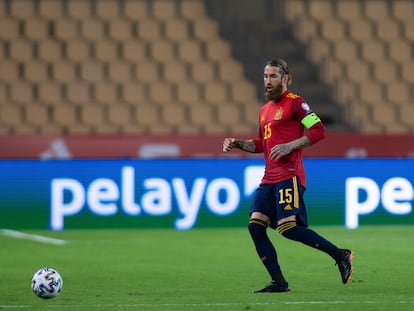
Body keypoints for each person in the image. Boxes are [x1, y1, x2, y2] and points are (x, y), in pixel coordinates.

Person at [222, 58, 353, 293]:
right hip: (268, 178)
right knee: (255, 226)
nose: (268, 81)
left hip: (289, 175)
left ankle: (340, 254)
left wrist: (291, 145)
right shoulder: (264, 110)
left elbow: (319, 131)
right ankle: (279, 283)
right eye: (265, 76)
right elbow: (263, 143)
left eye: (273, 76)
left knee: (287, 228)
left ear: (286, 78)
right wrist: (238, 143)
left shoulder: (296, 104)